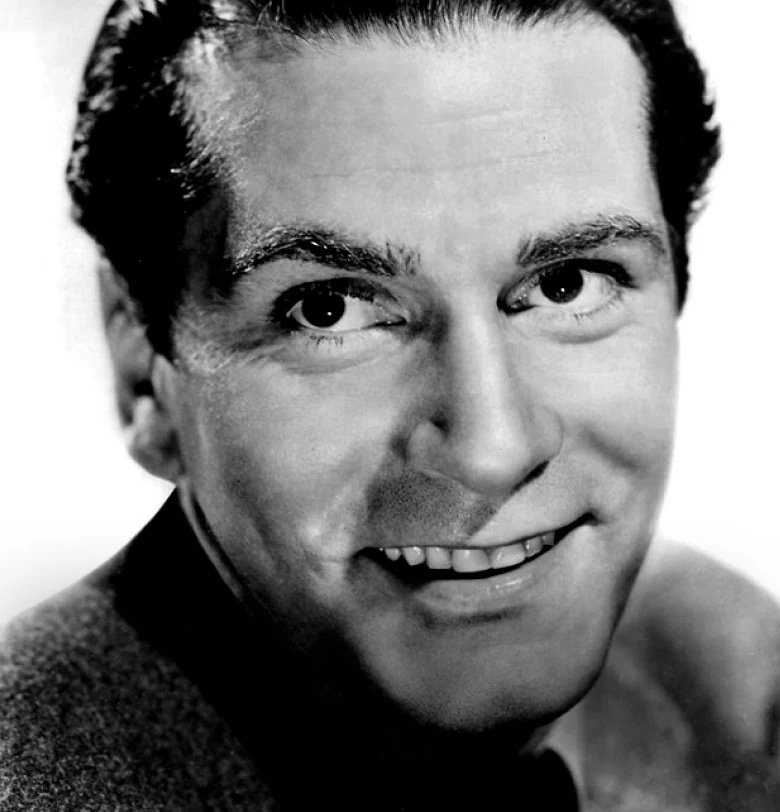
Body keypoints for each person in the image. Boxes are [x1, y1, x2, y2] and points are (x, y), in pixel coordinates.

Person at [1, 0, 779, 809]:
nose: (492, 448)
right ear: (142, 367)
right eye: (329, 309)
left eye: (567, 283)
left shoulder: (724, 680)